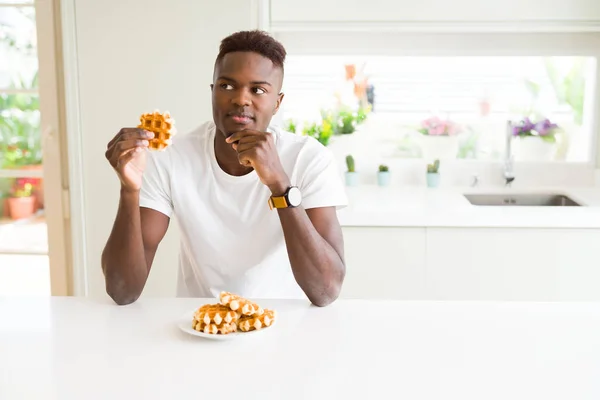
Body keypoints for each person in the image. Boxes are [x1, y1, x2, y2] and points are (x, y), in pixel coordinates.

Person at [101, 30, 348, 307]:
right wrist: (129, 190)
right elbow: (122, 290)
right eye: (227, 86)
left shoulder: (309, 158)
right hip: (199, 326)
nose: (241, 99)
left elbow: (326, 291)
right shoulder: (170, 157)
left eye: (258, 90)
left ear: (277, 103)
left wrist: (280, 184)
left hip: (284, 326)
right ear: (212, 91)